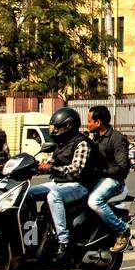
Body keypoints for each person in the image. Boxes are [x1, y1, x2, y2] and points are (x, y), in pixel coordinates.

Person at [30, 107, 101, 261]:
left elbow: (76, 170)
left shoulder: (82, 143)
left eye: (58, 127)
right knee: (28, 194)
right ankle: (32, 235)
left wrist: (53, 168)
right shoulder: (61, 144)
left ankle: (64, 241)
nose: (55, 130)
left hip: (78, 186)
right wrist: (34, 165)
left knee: (53, 197)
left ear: (68, 125)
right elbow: (51, 162)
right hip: (59, 183)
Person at [85, 105, 132, 252]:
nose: (88, 124)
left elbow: (123, 168)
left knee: (94, 201)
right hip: (99, 179)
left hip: (114, 181)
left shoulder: (116, 139)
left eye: (89, 121)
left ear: (98, 122)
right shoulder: (94, 139)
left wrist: (102, 171)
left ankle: (122, 229)